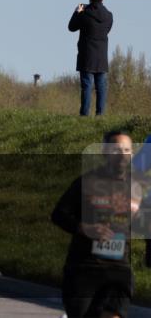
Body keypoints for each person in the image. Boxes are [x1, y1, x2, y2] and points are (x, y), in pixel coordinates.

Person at [52, 131, 138, 318]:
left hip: (118, 269)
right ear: (105, 152)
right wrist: (85, 228)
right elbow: (59, 215)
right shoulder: (86, 182)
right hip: (84, 266)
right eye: (116, 150)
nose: (122, 155)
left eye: (127, 150)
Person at [69, 0, 114, 116]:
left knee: (87, 86)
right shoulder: (109, 15)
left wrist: (77, 12)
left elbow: (71, 27)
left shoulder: (84, 14)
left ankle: (84, 114)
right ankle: (100, 114)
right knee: (101, 88)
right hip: (101, 57)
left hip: (86, 55)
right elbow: (106, 30)